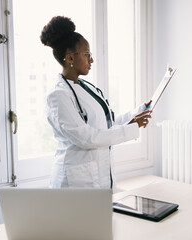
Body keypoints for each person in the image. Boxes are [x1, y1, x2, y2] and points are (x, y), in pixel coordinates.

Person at [40, 16, 152, 189]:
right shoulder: (58, 96)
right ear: (70, 58)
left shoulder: (86, 88)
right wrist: (131, 129)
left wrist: (137, 113)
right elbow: (86, 137)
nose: (91, 60)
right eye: (87, 55)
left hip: (99, 176)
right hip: (75, 183)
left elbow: (107, 123)